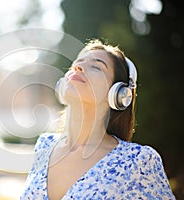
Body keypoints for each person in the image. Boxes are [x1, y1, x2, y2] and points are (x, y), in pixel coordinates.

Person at [20, 39, 176, 199]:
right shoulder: (44, 146)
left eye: (96, 66)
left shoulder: (137, 161)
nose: (77, 67)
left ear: (118, 94)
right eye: (77, 63)